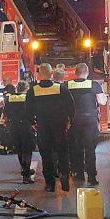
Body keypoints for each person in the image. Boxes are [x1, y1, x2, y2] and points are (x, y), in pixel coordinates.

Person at [26, 63, 75, 192]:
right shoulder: (61, 88)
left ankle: (50, 183)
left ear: (39, 75)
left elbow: (28, 110)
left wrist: (33, 123)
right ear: (51, 74)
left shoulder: (33, 91)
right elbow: (71, 106)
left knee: (46, 155)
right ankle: (64, 175)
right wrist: (70, 121)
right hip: (60, 125)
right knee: (62, 152)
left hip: (43, 126)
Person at [67, 63, 107, 186]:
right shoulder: (94, 85)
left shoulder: (68, 85)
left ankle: (78, 174)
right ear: (87, 72)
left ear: (75, 72)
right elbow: (102, 102)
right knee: (90, 148)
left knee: (76, 148)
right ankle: (91, 176)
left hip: (74, 120)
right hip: (90, 120)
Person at [5, 81, 36, 183]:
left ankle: (25, 170)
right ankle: (26, 175)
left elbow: (6, 113)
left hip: (14, 127)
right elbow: (32, 112)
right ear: (26, 89)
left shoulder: (10, 98)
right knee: (27, 151)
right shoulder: (29, 98)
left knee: (20, 151)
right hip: (26, 127)